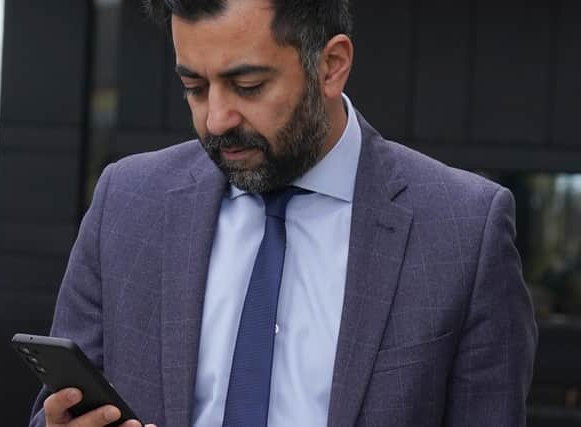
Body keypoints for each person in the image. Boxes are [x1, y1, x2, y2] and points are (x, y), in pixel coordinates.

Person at [30, 0, 537, 426]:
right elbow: (55, 408)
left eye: (248, 85)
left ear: (331, 65)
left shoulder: (465, 227)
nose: (216, 119)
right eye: (195, 87)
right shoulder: (127, 200)